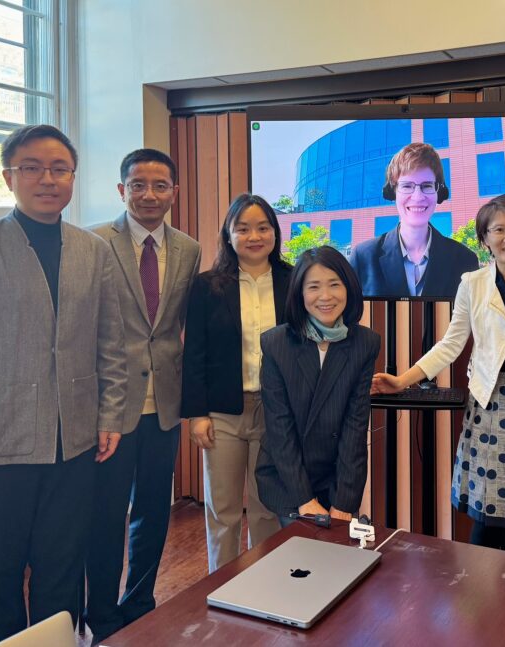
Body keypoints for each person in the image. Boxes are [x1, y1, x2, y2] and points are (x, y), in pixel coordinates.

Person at [0, 124, 127, 646]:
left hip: (76, 440)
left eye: (59, 169)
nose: (47, 179)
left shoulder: (93, 250)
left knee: (62, 567)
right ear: (8, 177)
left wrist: (109, 415)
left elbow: (111, 342)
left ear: (73, 178)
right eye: (32, 168)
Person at [373, 193, 505, 556]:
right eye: (499, 229)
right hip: (490, 405)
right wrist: (401, 380)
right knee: (487, 515)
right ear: (484, 238)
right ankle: (483, 600)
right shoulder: (472, 283)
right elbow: (451, 345)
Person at [85, 148, 201, 641]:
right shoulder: (91, 243)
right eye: (138, 184)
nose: (149, 194)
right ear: (122, 190)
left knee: (155, 510)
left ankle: (140, 604)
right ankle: (101, 616)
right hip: (109, 406)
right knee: (107, 515)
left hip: (166, 402)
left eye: (160, 185)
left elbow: (176, 326)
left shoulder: (190, 249)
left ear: (174, 192)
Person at [181, 194, 291, 571]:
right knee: (223, 509)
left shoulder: (293, 282)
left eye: (263, 227)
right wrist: (197, 414)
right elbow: (193, 352)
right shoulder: (207, 286)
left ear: (275, 233)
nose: (254, 236)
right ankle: (222, 587)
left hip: (276, 412)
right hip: (223, 412)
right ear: (229, 235)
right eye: (242, 228)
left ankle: (265, 587)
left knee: (266, 509)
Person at [255, 246, 381, 525]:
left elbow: (355, 428)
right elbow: (280, 428)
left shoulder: (365, 343)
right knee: (299, 561)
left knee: (338, 559)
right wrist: (304, 499)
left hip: (335, 477)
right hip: (288, 480)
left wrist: (343, 502)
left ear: (348, 288)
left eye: (334, 284)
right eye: (313, 287)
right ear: (300, 294)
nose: (325, 296)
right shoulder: (277, 344)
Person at [349, 142, 478, 298]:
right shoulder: (363, 256)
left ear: (439, 192)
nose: (417, 197)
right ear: (393, 192)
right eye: (407, 186)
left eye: (427, 186)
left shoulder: (465, 259)